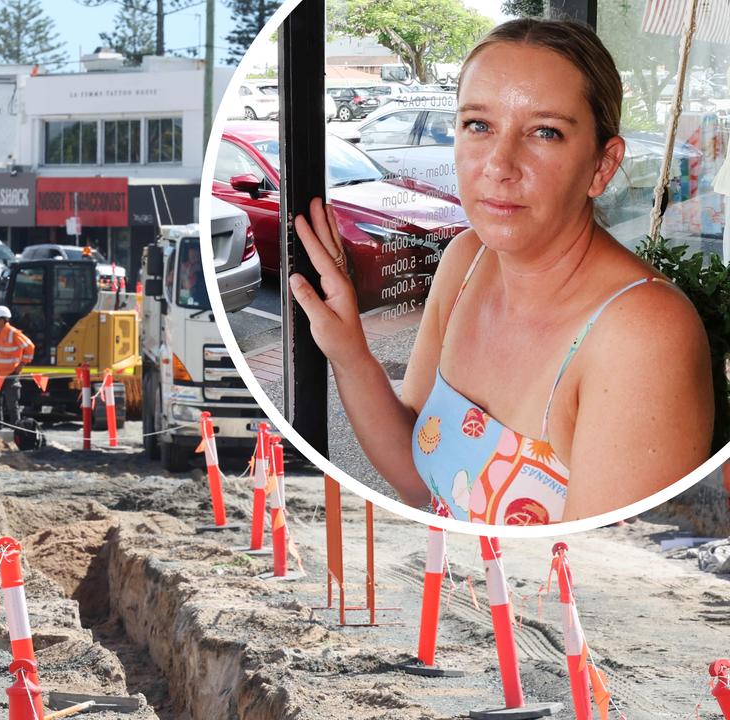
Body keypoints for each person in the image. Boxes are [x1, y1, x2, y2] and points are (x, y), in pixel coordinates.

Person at [287, 18, 712, 525]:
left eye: (545, 132)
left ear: (602, 165)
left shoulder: (642, 335)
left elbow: (606, 589)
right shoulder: (466, 260)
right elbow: (417, 476)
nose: (499, 164)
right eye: (478, 125)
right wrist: (350, 352)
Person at [0, 305, 34, 425]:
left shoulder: (14, 333)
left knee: (12, 404)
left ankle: (17, 430)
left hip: (10, 373)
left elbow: (30, 347)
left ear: (2, 320)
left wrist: (22, 364)